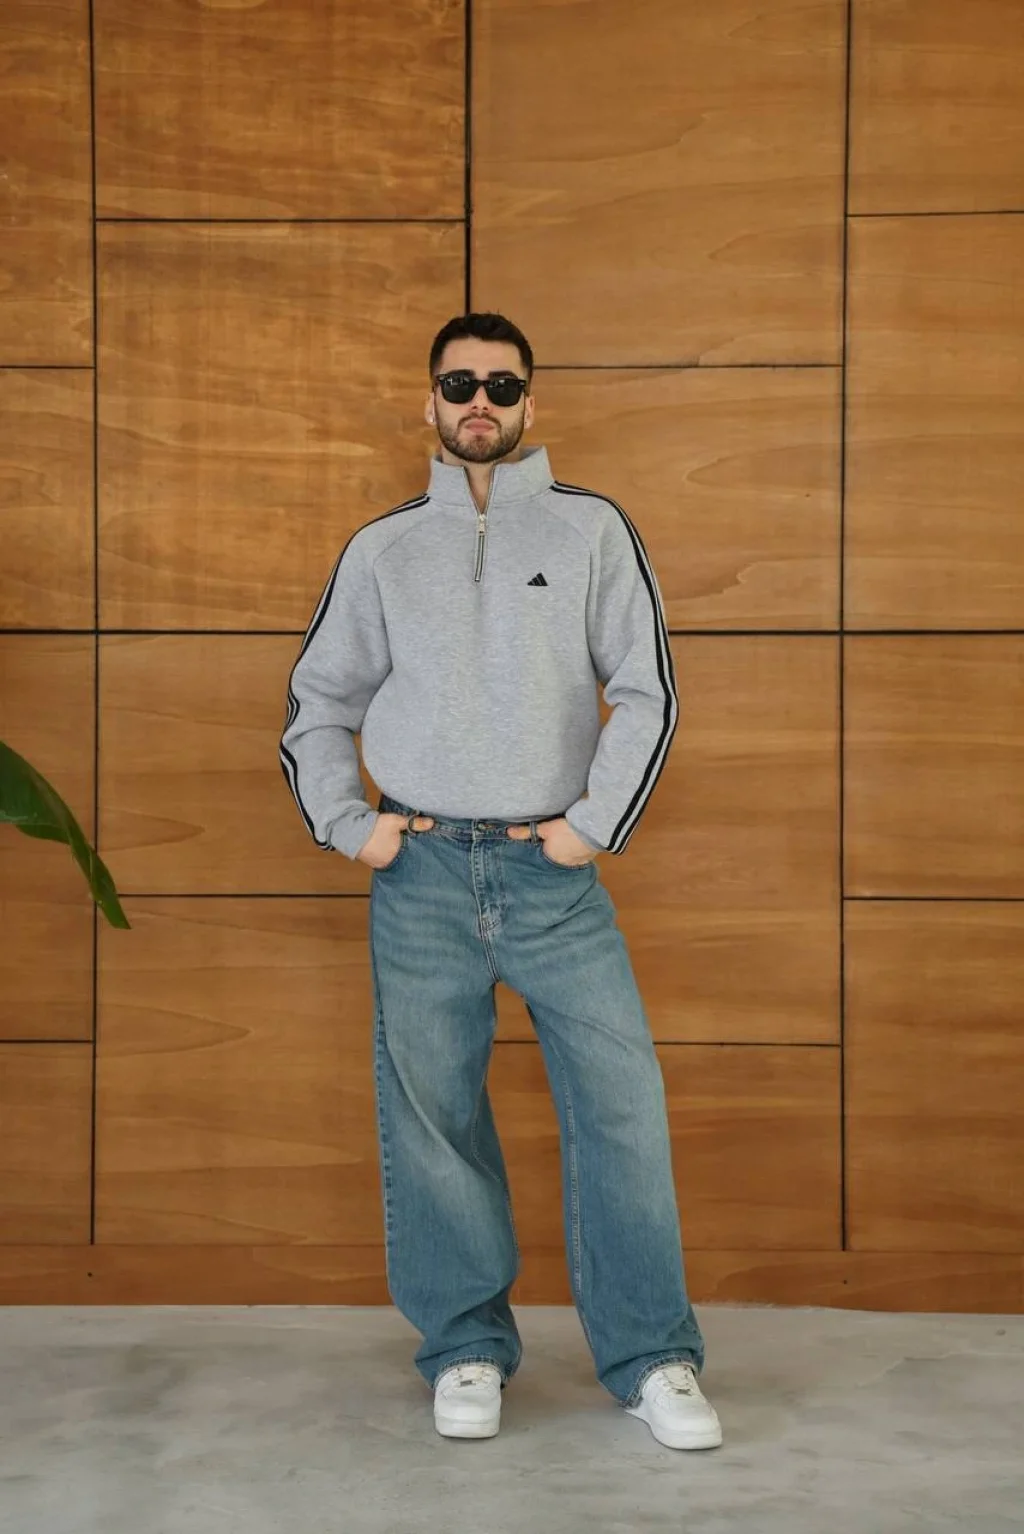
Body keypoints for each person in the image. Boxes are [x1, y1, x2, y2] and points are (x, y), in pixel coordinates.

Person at [279, 312, 722, 1452]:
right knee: (433, 1119)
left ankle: (652, 1356)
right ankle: (465, 1346)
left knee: (620, 1107)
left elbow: (648, 691)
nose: (480, 400)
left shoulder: (591, 530)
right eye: (459, 382)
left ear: (533, 401)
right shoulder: (383, 550)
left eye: (502, 384)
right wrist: (351, 828)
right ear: (428, 402)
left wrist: (591, 829)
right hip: (420, 869)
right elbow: (318, 702)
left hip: (550, 873)